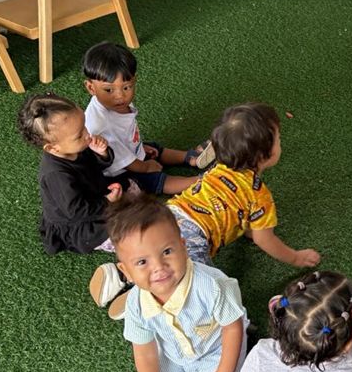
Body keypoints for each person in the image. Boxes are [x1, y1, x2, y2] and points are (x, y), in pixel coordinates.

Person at [126, 100, 318, 284]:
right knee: (199, 286)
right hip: (193, 235)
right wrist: (297, 258)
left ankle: (123, 275)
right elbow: (264, 239)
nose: (280, 141)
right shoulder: (259, 195)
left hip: (167, 214)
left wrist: (248, 227)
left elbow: (237, 210)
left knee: (151, 254)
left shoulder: (218, 168)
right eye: (278, 139)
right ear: (265, 155)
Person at [107, 198, 246, 372]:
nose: (159, 267)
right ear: (126, 271)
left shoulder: (212, 285)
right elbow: (144, 352)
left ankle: (220, 371)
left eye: (167, 252)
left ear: (183, 246)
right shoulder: (136, 303)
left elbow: (232, 327)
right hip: (174, 353)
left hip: (216, 346)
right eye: (142, 262)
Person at [80, 41, 199, 196]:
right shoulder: (100, 126)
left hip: (129, 151)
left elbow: (126, 135)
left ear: (134, 80)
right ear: (91, 87)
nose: (120, 96)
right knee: (153, 180)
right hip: (118, 172)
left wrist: (140, 148)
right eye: (109, 90)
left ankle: (190, 157)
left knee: (155, 148)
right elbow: (124, 162)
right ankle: (199, 181)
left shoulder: (115, 103)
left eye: (126, 87)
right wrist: (146, 167)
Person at [20, 92, 121, 257]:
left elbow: (95, 166)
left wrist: (101, 154)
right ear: (53, 148)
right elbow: (76, 212)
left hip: (94, 196)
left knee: (131, 188)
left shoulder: (74, 147)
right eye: (79, 135)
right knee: (121, 228)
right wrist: (107, 202)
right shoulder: (56, 175)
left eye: (84, 126)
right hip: (79, 222)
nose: (87, 135)